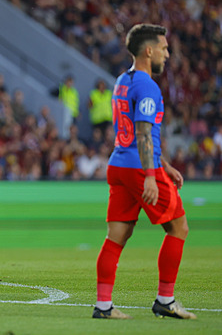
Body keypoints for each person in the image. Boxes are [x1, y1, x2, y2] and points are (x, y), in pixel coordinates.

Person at [93, 24, 196, 320]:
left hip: (119, 165)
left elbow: (130, 131)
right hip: (139, 168)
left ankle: (103, 307)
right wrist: (152, 175)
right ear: (149, 51)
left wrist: (164, 164)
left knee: (117, 235)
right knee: (179, 227)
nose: (168, 53)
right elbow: (141, 132)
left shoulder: (122, 80)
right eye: (164, 48)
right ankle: (165, 300)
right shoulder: (148, 86)